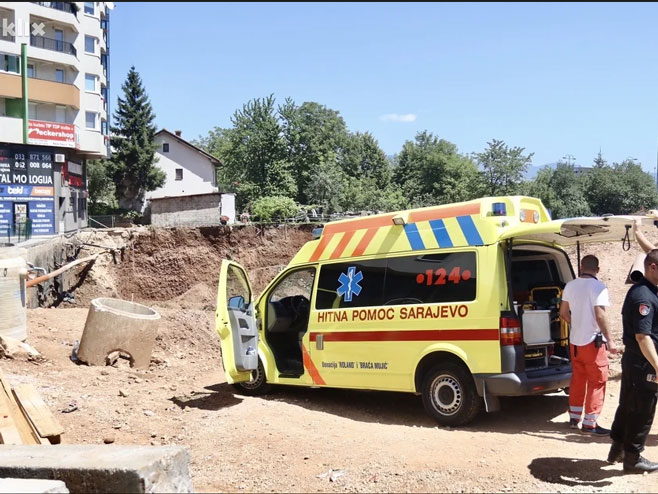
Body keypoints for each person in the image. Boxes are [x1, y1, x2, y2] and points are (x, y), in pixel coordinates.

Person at [608, 249, 658, 474]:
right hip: (644, 361)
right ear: (652, 267)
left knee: (629, 403)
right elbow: (642, 336)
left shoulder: (646, 291)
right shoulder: (644, 296)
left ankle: (617, 447)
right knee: (643, 408)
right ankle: (633, 459)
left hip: (635, 360)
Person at [559, 255, 617, 435]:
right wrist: (610, 339)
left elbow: (563, 313)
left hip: (575, 342)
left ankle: (574, 417)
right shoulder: (599, 287)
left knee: (578, 379)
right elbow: (600, 315)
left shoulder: (570, 285)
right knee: (597, 381)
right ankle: (590, 423)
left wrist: (576, 323)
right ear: (598, 270)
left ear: (581, 267)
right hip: (592, 342)